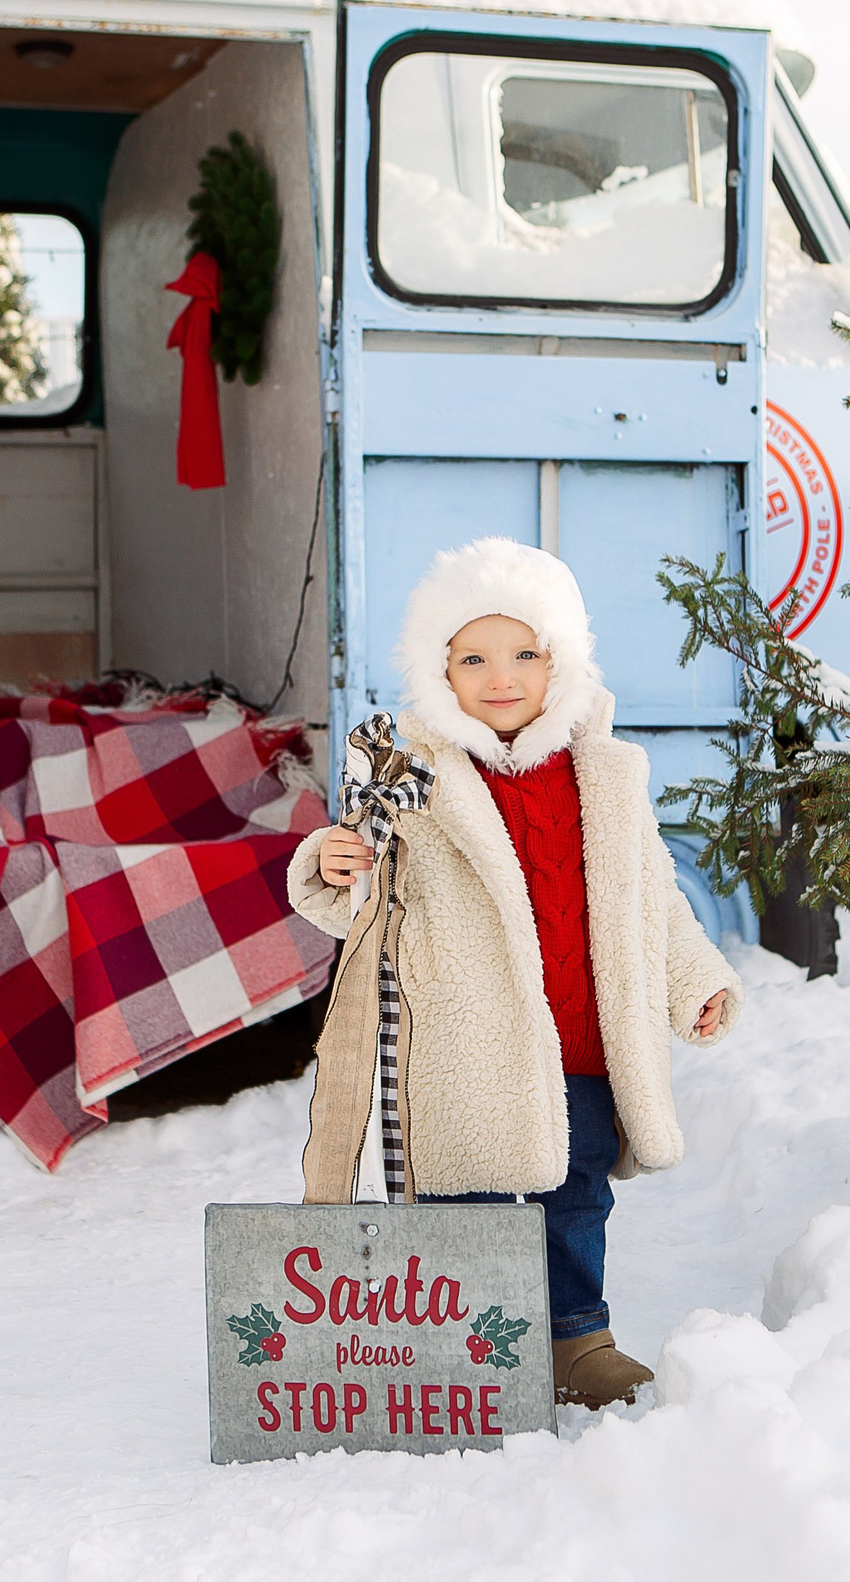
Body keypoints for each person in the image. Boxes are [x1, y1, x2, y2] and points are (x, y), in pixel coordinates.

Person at [286, 537, 739, 1408]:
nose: (502, 677)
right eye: (473, 658)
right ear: (439, 670)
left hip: (581, 1036)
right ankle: (470, 1348)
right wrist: (336, 863)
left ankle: (579, 1339)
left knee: (574, 1198)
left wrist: (696, 983)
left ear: (559, 661)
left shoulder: (604, 775)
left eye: (525, 653)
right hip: (465, 1045)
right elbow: (361, 904)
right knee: (473, 1201)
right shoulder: (410, 778)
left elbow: (655, 898)